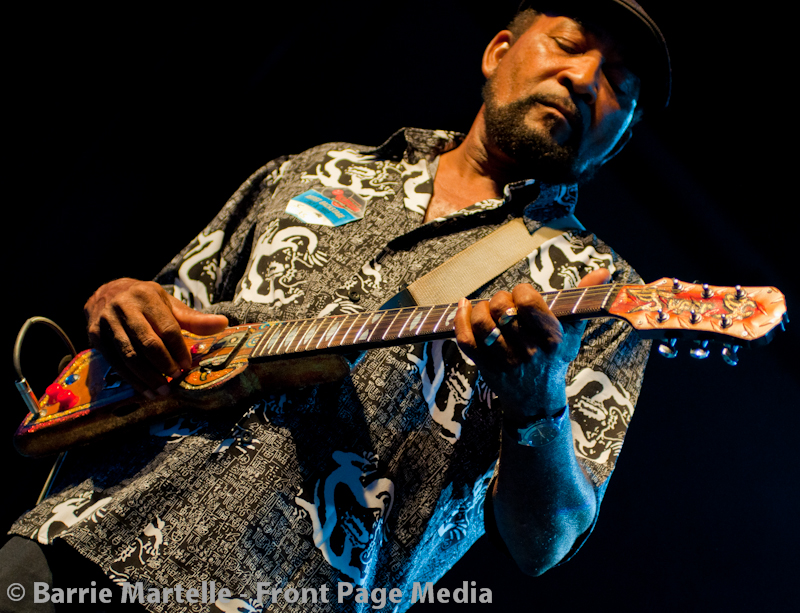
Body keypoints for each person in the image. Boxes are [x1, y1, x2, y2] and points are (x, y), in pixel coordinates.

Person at [2, 1, 670, 611]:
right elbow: (158, 327)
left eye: (617, 84)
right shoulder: (313, 170)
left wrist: (536, 399)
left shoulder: (602, 295)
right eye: (569, 44)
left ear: (619, 139)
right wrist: (120, 302)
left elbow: (544, 541)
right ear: (499, 50)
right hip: (77, 538)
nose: (583, 78)